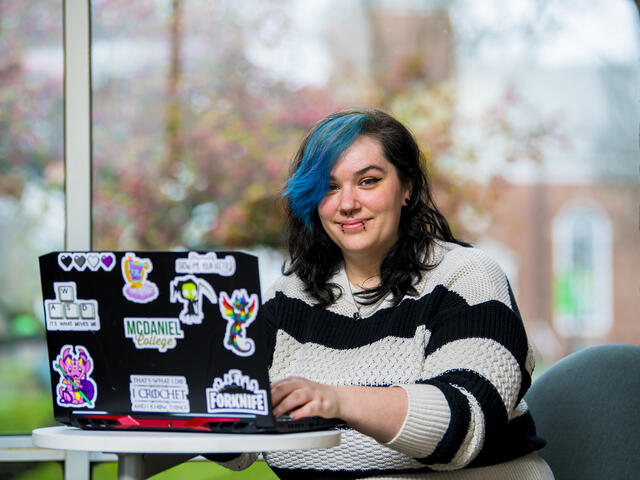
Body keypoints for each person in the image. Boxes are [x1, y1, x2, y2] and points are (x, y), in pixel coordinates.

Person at [213, 108, 554, 479]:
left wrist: (338, 400)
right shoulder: (288, 298)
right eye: (329, 187)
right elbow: (237, 448)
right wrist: (187, 393)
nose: (346, 204)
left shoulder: (468, 278)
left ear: (406, 187)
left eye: (368, 181)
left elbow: (465, 425)